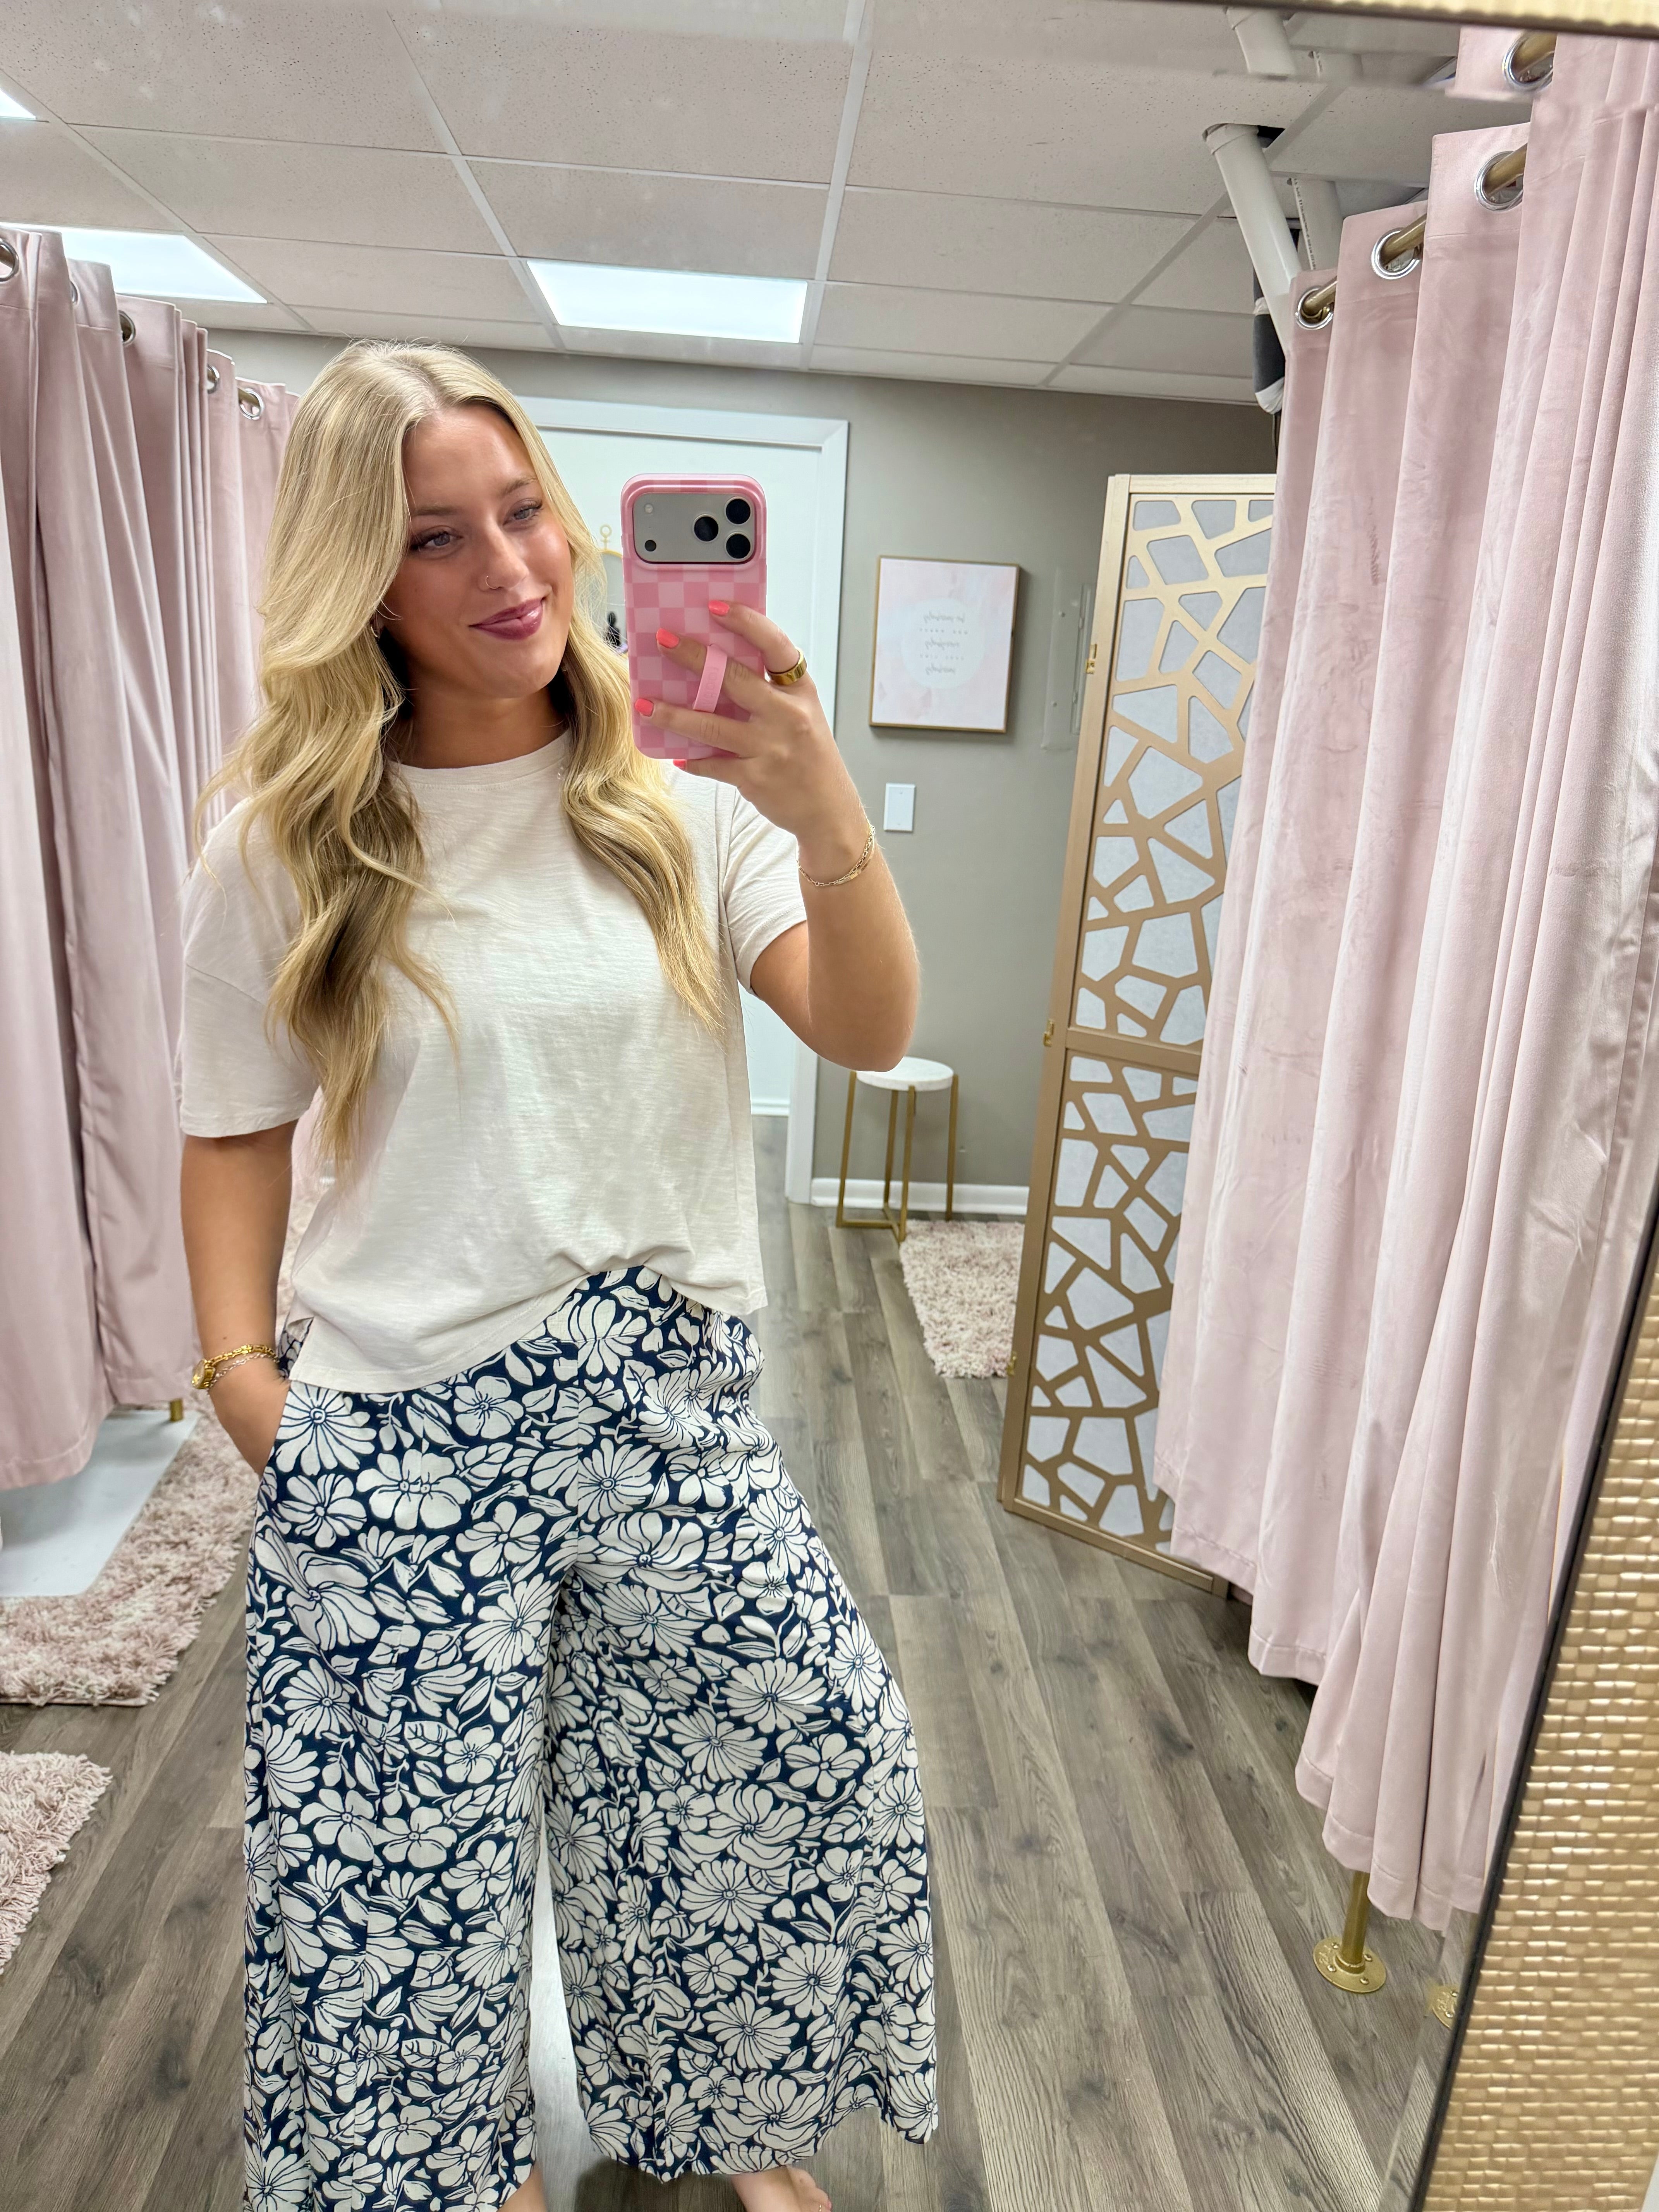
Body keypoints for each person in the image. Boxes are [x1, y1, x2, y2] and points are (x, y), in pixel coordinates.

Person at [177, 342, 938, 2212]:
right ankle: (460, 2169)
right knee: (402, 1880)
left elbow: (862, 1028)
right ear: (361, 577)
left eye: (523, 510)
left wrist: (824, 802)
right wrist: (241, 1383)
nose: (509, 567)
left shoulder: (685, 791)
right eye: (436, 536)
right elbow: (232, 1130)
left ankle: (731, 2122)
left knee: (786, 1764)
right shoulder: (286, 840)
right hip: (404, 1427)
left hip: (665, 1404)